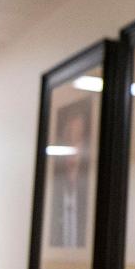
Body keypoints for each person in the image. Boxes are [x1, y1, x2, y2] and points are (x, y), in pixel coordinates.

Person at [49, 99, 90, 248]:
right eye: (69, 138)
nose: (73, 146)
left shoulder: (88, 194)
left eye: (78, 138)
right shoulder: (53, 193)